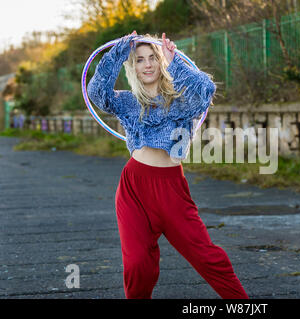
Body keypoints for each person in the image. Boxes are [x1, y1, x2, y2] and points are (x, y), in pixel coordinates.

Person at [87, 31, 249, 299]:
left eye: (153, 58)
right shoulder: (127, 101)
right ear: (134, 67)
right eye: (139, 59)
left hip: (170, 189)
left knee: (207, 257)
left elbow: (206, 92)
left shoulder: (180, 101)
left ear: (161, 61)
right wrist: (117, 52)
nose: (147, 64)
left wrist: (177, 62)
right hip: (134, 187)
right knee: (139, 265)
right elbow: (97, 93)